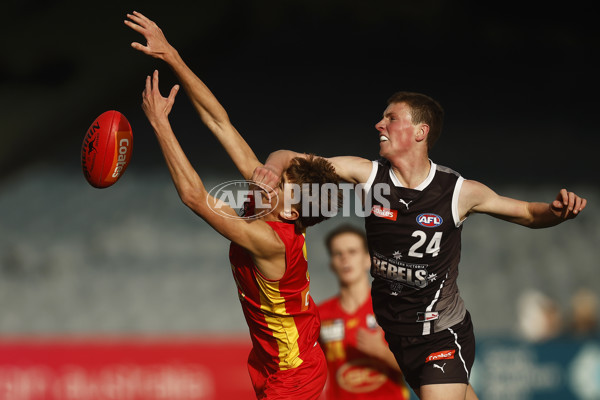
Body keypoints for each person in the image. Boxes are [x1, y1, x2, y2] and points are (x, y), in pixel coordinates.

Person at [254, 92, 587, 400]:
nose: (379, 124)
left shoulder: (456, 191)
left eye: (391, 118)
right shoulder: (369, 176)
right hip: (397, 334)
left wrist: (556, 212)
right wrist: (271, 169)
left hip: (441, 334)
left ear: (420, 131)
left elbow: (528, 212)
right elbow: (288, 156)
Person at [127, 12, 342, 399]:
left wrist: (160, 124)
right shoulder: (271, 199)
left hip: (292, 374)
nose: (272, 175)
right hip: (272, 361)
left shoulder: (270, 240)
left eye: (283, 180)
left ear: (292, 211)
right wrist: (172, 55)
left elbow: (194, 196)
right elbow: (220, 123)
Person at [318, 224, 410, 400]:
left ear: (368, 260)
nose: (345, 259)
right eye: (338, 254)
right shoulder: (320, 315)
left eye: (352, 252)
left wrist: (381, 352)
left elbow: (420, 368)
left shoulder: (393, 307)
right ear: (331, 263)